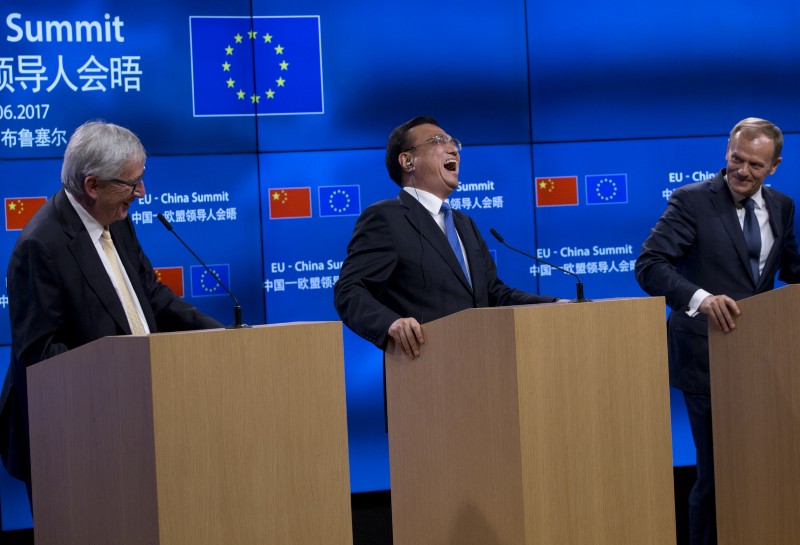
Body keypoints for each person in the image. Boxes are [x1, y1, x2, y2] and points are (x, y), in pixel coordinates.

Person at [0, 120, 224, 504]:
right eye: (130, 183)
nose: (141, 192)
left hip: (137, 417)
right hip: (73, 438)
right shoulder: (40, 246)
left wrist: (218, 335)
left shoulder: (115, 219)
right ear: (92, 186)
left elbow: (149, 294)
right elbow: (40, 358)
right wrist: (122, 377)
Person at [635, 117, 800, 545]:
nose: (742, 172)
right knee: (716, 473)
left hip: (762, 359)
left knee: (760, 468)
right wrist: (700, 299)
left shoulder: (782, 206)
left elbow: (790, 267)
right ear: (727, 151)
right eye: (735, 160)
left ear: (775, 166)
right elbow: (650, 266)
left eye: (755, 166)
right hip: (706, 360)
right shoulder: (691, 201)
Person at [334, 115, 559, 358]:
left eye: (454, 143)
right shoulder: (385, 218)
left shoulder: (465, 224)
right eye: (439, 140)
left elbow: (495, 295)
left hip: (485, 364)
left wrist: (555, 305)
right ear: (407, 161)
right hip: (425, 369)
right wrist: (390, 324)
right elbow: (349, 290)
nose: (453, 149)